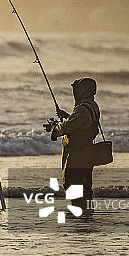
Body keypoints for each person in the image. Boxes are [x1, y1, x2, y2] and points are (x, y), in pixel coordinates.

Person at [47, 77, 100, 211]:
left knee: (75, 185)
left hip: (78, 155)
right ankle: (86, 212)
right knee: (85, 186)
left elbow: (64, 129)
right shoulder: (92, 105)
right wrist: (68, 116)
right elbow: (80, 123)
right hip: (87, 153)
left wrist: (53, 128)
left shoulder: (81, 110)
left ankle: (80, 215)